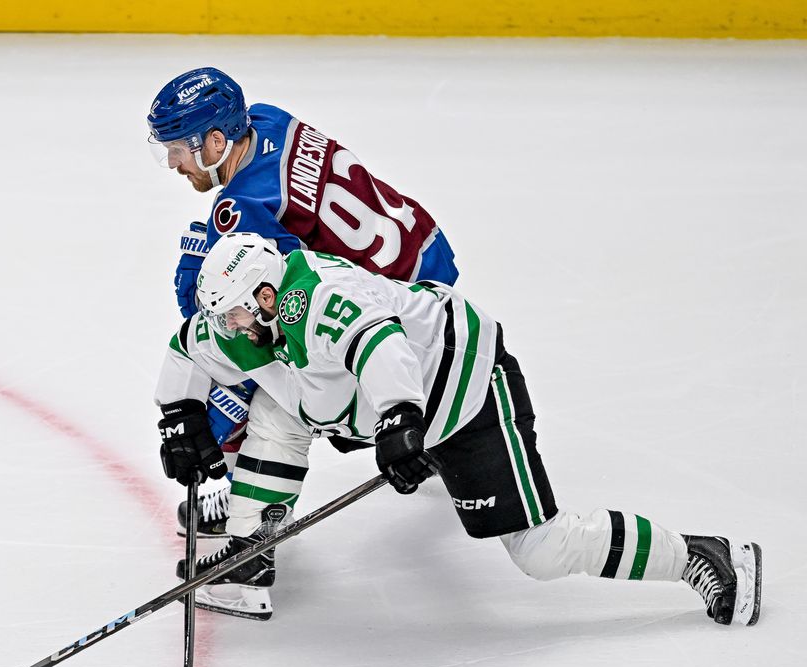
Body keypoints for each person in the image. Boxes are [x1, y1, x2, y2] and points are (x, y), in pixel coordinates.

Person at [153, 232, 762, 626]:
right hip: (370, 404)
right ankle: (247, 556)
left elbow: (380, 346)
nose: (228, 328)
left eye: (233, 313)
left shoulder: (318, 298)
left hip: (461, 393)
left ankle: (699, 556)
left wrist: (400, 420)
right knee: (277, 410)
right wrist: (178, 416)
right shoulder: (248, 321)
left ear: (265, 294)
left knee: (541, 551)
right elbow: (188, 348)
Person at [147, 66, 461, 538]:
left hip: (391, 323)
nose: (173, 163)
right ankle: (441, 426)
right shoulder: (267, 120)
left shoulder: (242, 209)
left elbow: (256, 318)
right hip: (429, 272)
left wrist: (198, 272)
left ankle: (251, 501)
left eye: (177, 149)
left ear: (215, 143)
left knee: (240, 378)